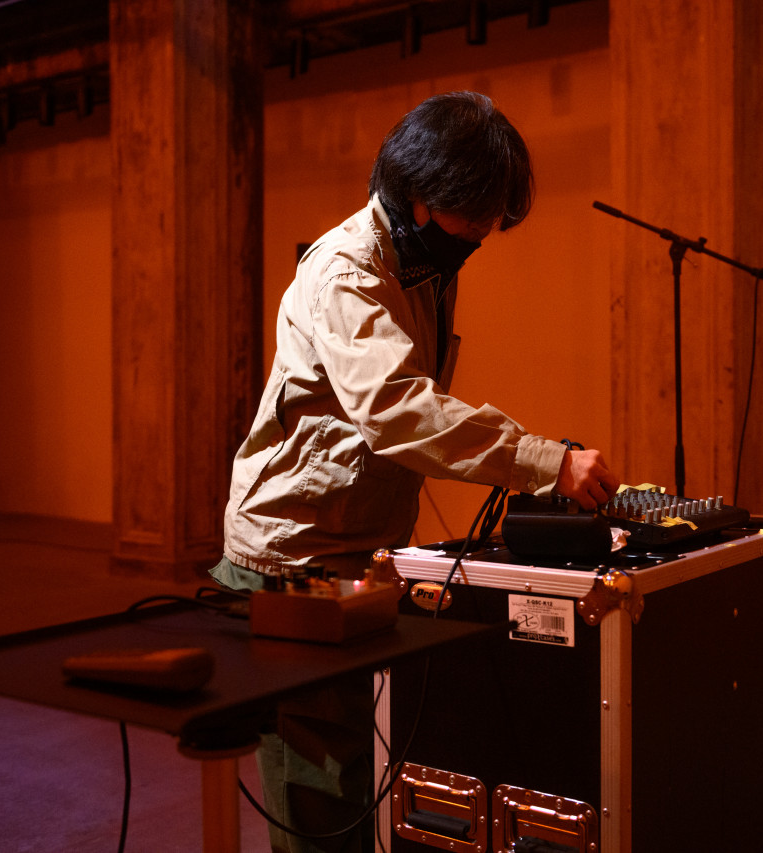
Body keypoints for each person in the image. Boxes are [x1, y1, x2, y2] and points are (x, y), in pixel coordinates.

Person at [211, 91, 619, 853]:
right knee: (320, 792)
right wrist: (545, 462)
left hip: (360, 546)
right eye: (469, 222)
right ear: (418, 194)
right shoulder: (345, 269)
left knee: (366, 769)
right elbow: (398, 409)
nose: (476, 238)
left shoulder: (423, 258)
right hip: (293, 555)